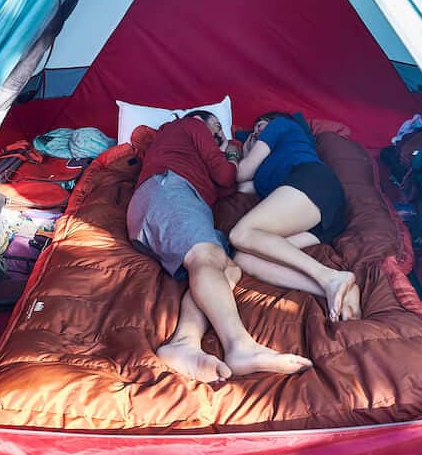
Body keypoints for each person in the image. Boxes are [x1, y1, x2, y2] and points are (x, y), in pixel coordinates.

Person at [128, 110, 312, 383]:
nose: (218, 133)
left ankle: (184, 343)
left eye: (220, 130)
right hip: (167, 189)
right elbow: (227, 175)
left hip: (184, 206)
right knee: (207, 255)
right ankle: (240, 346)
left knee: (228, 267)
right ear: (201, 122)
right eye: (215, 127)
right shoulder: (188, 124)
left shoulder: (198, 159)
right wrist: (230, 151)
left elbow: (231, 188)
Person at [233, 112, 361, 322]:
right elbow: (243, 186)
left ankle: (330, 277)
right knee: (243, 257)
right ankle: (340, 290)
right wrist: (249, 155)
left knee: (241, 233)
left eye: (261, 125)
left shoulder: (281, 125)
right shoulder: (268, 166)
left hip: (314, 183)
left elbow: (240, 172)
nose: (257, 130)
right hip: (320, 218)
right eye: (254, 129)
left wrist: (243, 152)